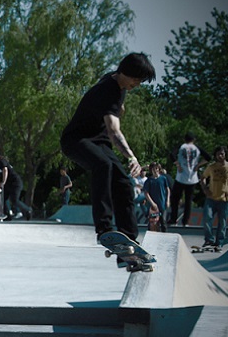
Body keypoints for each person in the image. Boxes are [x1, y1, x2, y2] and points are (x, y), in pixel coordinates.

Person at [60, 52, 156, 243]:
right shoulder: (109, 89)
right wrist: (131, 157)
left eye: (140, 81)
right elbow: (114, 132)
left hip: (99, 141)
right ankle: (103, 228)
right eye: (136, 79)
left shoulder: (117, 81)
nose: (137, 84)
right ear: (126, 72)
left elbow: (118, 109)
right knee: (103, 165)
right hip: (76, 139)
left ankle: (128, 240)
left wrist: (119, 108)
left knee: (124, 183)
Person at [169, 133, 206, 227]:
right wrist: (198, 165)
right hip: (192, 178)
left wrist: (177, 164)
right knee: (188, 201)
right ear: (194, 139)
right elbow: (208, 157)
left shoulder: (181, 146)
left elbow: (171, 154)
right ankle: (185, 222)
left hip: (181, 177)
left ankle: (173, 219)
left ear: (184, 139)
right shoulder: (197, 148)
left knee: (175, 199)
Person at [200, 146, 228, 250]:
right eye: (218, 154)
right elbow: (203, 178)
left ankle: (219, 242)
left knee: (223, 222)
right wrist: (205, 189)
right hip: (211, 198)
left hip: (224, 199)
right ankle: (209, 239)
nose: (220, 156)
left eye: (222, 154)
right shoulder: (211, 167)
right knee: (207, 218)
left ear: (225, 154)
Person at [0, 152, 31, 220]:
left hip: (15, 183)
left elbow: (5, 170)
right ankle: (8, 215)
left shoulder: (2, 162)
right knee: (2, 199)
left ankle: (28, 210)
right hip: (7, 185)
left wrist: (3, 182)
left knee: (14, 200)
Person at [142, 162, 170, 232]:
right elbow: (146, 193)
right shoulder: (148, 181)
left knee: (163, 221)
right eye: (153, 169)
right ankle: (150, 238)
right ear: (151, 170)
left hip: (162, 203)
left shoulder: (163, 178)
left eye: (156, 168)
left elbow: (168, 189)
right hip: (152, 206)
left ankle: (164, 236)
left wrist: (168, 200)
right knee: (152, 223)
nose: (155, 170)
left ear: (159, 169)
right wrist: (152, 203)